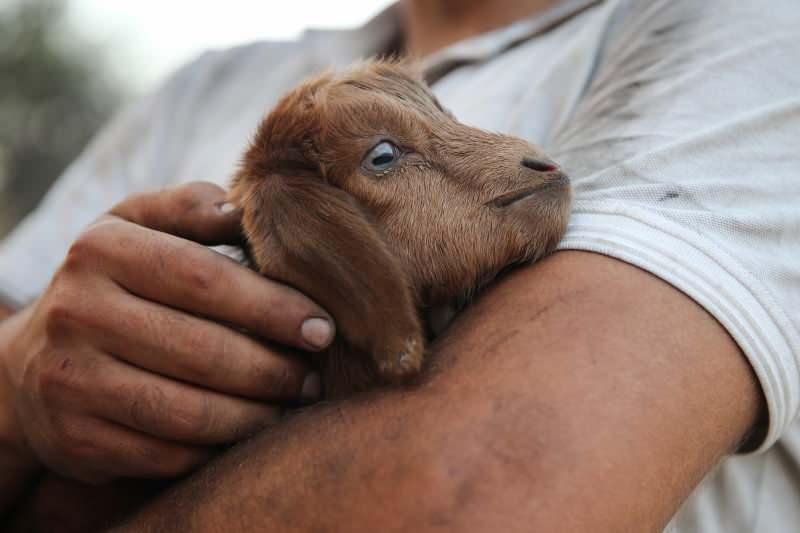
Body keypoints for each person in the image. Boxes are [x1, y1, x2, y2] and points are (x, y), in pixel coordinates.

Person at [1, 0, 798, 530]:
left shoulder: (748, 34)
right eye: (386, 157)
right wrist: (18, 372)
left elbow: (475, 495)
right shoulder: (200, 88)